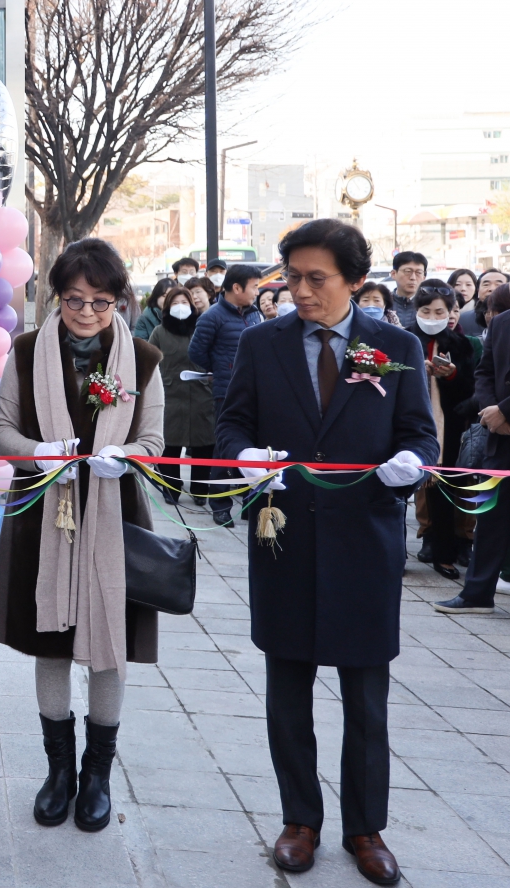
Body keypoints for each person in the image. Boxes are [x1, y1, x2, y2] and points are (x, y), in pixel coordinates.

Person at [216, 219, 435, 886]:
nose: (301, 292)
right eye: (291, 278)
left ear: (353, 282)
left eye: (317, 279)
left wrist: (410, 463)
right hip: (284, 539)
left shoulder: (393, 345)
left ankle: (365, 827)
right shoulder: (262, 344)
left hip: (364, 541)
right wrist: (244, 459)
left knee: (365, 699)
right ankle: (298, 820)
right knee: (287, 692)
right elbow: (232, 423)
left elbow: (419, 435)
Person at [0, 238, 165, 834]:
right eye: (74, 300)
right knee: (50, 640)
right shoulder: (27, 349)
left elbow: (155, 441)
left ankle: (97, 776)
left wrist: (127, 455)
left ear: (119, 300)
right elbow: (1, 428)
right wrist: (37, 453)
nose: (86, 313)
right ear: (55, 296)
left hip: (114, 512)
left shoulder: (142, 359)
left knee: (110, 640)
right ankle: (57, 773)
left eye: (100, 301)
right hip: (44, 507)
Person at [436, 278, 510, 615]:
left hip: (504, 417)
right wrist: (493, 411)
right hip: (500, 437)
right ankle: (477, 594)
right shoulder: (501, 323)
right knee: (491, 517)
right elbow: (485, 372)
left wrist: (506, 410)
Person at [404, 282, 476, 581]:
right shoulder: (404, 338)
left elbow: (472, 386)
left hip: (449, 424)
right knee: (401, 485)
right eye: (425, 310)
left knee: (446, 484)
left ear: (450, 314)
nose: (432, 317)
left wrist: (450, 374)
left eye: (439, 311)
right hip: (408, 421)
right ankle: (400, 549)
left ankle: (446, 552)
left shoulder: (461, 344)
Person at [187, 263, 263, 527]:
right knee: (224, 447)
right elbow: (196, 353)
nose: (257, 291)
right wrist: (221, 368)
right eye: (253, 286)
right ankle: (220, 504)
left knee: (253, 447)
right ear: (236, 287)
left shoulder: (255, 314)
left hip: (255, 390)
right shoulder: (212, 317)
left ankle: (250, 501)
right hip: (226, 392)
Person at [149, 285, 214, 508]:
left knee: (204, 444)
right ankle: (171, 488)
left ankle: (200, 489)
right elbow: (149, 361)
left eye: (184, 303)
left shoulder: (203, 328)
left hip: (202, 394)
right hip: (170, 394)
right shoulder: (159, 331)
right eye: (175, 303)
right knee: (170, 445)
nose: (180, 307)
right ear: (167, 307)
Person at [458, 268, 506, 338]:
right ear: (477, 290)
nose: (492, 289)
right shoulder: (462, 319)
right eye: (486, 284)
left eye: (498, 285)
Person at [390, 251, 428, 328]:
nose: (413, 278)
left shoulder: (429, 303)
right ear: (394, 274)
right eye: (408, 271)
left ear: (424, 278)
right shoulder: (383, 302)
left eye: (419, 272)